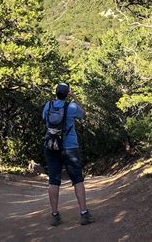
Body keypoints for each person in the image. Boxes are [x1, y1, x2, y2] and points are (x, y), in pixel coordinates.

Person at [42, 82, 95, 226]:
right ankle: (84, 214)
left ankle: (54, 215)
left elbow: (44, 120)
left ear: (56, 92)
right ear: (67, 94)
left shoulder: (48, 105)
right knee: (78, 180)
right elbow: (83, 113)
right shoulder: (71, 107)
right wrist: (74, 97)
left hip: (51, 147)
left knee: (53, 181)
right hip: (70, 147)